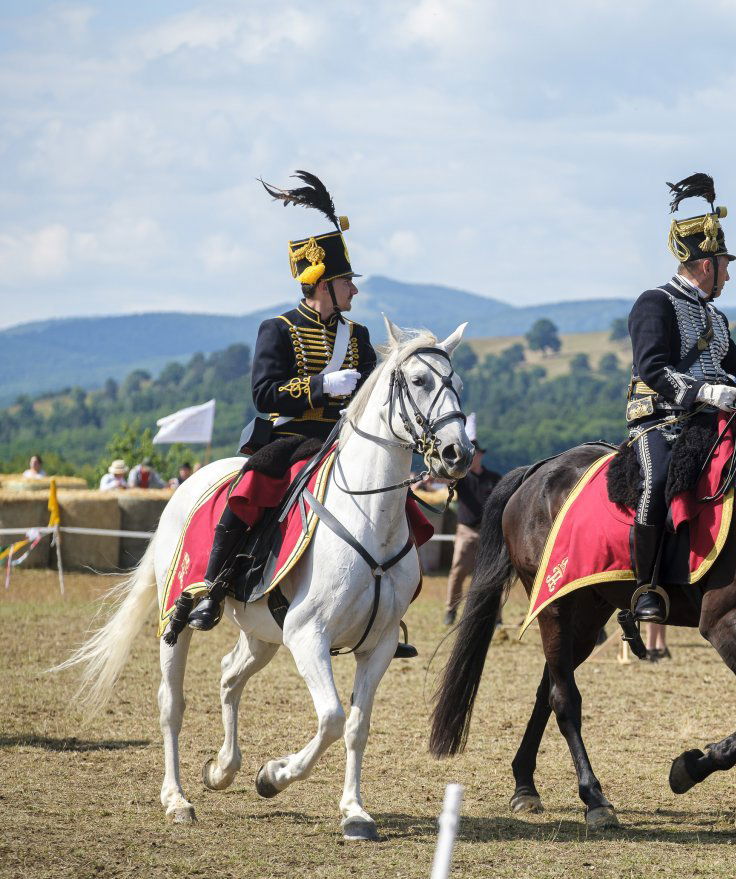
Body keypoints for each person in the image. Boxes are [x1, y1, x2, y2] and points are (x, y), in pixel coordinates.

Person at [163, 171, 391, 649]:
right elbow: (264, 394)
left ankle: (387, 603)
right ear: (323, 285)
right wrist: (321, 384)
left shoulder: (361, 337)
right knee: (253, 484)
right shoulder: (279, 329)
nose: (355, 290)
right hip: (287, 439)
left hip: (340, 441)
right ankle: (215, 584)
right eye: (347, 280)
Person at [624, 172, 736, 623]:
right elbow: (652, 368)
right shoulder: (654, 303)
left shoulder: (717, 317)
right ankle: (646, 587)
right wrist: (704, 390)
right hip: (660, 419)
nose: (730, 275)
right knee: (659, 480)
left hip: (714, 420)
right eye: (726, 265)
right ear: (706, 265)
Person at [444, 416, 502, 626]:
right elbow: (446, 479)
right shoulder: (461, 479)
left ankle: (495, 616)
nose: (474, 457)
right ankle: (450, 610)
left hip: (488, 532)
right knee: (458, 572)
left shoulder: (494, 478)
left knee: (492, 576)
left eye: (476, 453)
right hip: (466, 531)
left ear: (481, 455)